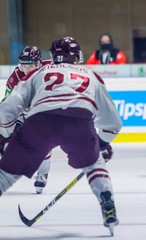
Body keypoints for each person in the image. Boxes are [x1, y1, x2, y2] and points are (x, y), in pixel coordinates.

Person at [0, 36, 122, 234]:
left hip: (41, 122)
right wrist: (100, 142)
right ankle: (106, 200)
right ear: (76, 56)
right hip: (78, 123)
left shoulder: (39, 73)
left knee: (6, 173)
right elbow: (113, 123)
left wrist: (5, 136)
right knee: (94, 164)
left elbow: (7, 107)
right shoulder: (91, 75)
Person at [1, 46, 52, 194]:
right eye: (24, 65)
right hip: (23, 112)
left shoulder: (49, 68)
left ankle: (42, 173)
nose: (27, 69)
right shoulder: (15, 78)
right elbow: (8, 101)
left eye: (31, 65)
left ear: (38, 63)